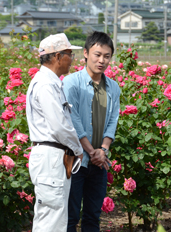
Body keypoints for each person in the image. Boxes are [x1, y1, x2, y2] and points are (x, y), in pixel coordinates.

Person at [63, 31, 120, 232]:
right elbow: (72, 118)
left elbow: (113, 120)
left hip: (99, 162)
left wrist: (103, 150)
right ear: (86, 53)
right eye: (97, 55)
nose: (102, 60)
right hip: (77, 160)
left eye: (106, 56)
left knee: (92, 218)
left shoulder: (113, 87)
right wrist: (91, 151)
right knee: (70, 218)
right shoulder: (71, 83)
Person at [26, 33, 84, 232]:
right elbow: (59, 125)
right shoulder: (46, 84)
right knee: (51, 220)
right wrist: (78, 149)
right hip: (51, 157)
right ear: (57, 56)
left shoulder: (49, 81)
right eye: (70, 54)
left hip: (52, 156)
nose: (72, 60)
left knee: (52, 217)